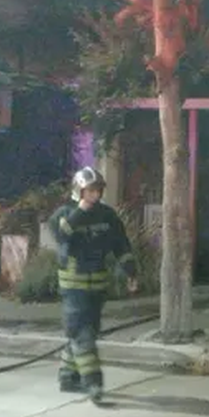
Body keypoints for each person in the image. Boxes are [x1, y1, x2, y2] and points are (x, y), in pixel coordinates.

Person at [47, 167, 138, 401]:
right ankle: (93, 383)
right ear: (79, 190)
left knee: (86, 333)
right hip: (73, 287)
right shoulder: (64, 214)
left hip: (97, 285)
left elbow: (121, 245)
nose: (96, 195)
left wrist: (130, 271)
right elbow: (61, 235)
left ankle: (68, 376)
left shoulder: (107, 216)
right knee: (82, 334)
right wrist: (80, 212)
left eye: (98, 190)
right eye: (91, 190)